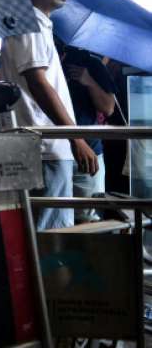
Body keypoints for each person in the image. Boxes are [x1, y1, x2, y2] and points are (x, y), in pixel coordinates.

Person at [0, 0, 97, 230]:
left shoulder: (35, 23)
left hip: (43, 145)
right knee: (49, 235)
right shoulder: (28, 22)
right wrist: (75, 137)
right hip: (43, 146)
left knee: (46, 230)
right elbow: (38, 82)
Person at [57, 42, 116, 222]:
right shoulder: (41, 63)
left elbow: (108, 108)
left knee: (88, 217)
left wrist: (88, 80)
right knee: (54, 216)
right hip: (52, 154)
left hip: (88, 153)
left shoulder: (90, 63)